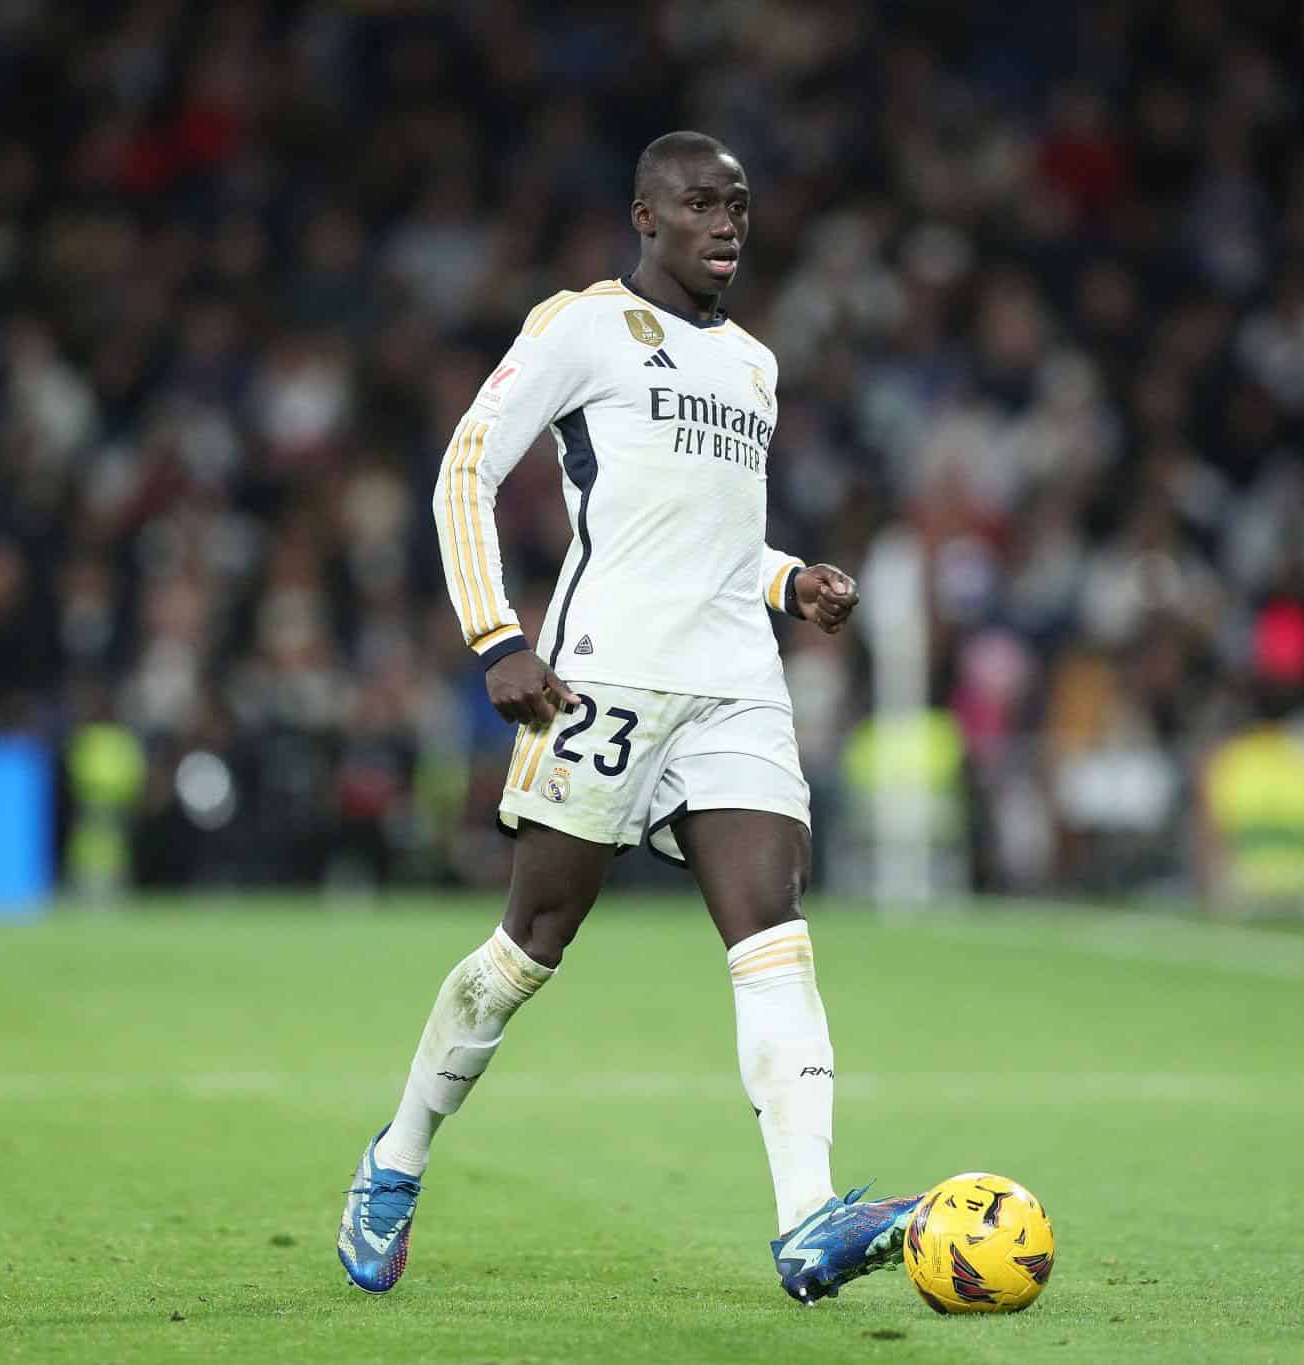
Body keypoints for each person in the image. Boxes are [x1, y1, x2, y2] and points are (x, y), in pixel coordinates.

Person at [337, 131, 920, 1304]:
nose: (726, 224)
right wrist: (496, 635)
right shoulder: (579, 327)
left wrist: (786, 581)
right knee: (528, 946)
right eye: (700, 204)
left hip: (735, 688)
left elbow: (710, 538)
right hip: (602, 679)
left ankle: (806, 1214)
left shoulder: (754, 363)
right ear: (644, 218)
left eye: (739, 205)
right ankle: (393, 1160)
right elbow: (463, 468)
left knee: (771, 924)